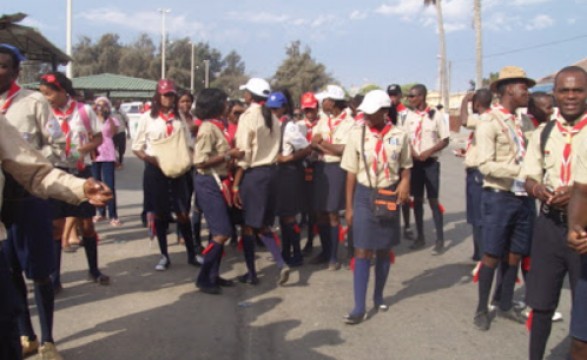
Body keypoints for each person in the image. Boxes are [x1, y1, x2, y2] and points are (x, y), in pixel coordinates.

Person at [0, 110, 112, 360]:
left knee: (12, 311)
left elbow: (34, 171)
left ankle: (45, 339)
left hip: (28, 202)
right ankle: (27, 335)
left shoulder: (30, 106)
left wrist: (78, 186)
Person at [521, 66, 587, 359]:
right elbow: (529, 177)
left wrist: (574, 193)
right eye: (564, 90)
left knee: (583, 311)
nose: (571, 96)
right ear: (555, 95)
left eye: (578, 90)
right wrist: (540, 191)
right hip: (549, 226)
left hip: (583, 231)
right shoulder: (543, 133)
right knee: (542, 303)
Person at [340, 89, 412, 324]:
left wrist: (404, 182)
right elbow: (351, 172)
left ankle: (378, 295)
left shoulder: (397, 136)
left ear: (384, 112)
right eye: (365, 113)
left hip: (388, 195)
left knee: (383, 248)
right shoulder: (357, 134)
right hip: (363, 194)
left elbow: (405, 165)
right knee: (362, 249)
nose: (366, 117)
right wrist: (349, 207)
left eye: (371, 113)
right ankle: (358, 307)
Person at [473, 66, 536, 331]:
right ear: (509, 88)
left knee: (515, 254)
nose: (527, 93)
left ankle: (506, 302)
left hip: (523, 197)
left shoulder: (524, 122)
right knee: (492, 254)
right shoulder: (488, 122)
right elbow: (485, 164)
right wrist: (522, 172)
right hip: (500, 196)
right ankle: (481, 309)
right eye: (524, 87)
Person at [38, 72, 111, 292]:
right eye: (43, 94)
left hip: (80, 172)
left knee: (87, 225)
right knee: (56, 227)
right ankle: (55, 277)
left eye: (49, 93)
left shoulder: (84, 111)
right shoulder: (44, 112)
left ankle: (94, 270)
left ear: (62, 91)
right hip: (56, 173)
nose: (46, 98)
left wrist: (82, 151)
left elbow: (98, 138)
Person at [132, 79, 198, 271]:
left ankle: (192, 254)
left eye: (171, 95)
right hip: (156, 171)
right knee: (160, 214)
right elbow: (137, 147)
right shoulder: (147, 118)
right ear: (158, 96)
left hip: (178, 171)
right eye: (165, 95)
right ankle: (164, 255)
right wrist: (153, 160)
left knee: (183, 213)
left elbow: (188, 143)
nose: (168, 98)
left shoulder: (180, 119)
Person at [232, 78, 288, 285]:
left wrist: (236, 183)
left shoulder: (248, 117)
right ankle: (281, 262)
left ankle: (252, 273)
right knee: (264, 224)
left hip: (254, 175)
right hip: (272, 173)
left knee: (248, 226)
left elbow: (244, 154)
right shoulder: (273, 118)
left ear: (249, 96)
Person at [192, 88, 242, 294]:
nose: (227, 106)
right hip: (208, 182)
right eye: (223, 102)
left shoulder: (217, 126)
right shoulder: (207, 128)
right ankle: (204, 277)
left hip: (220, 180)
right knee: (222, 232)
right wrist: (229, 156)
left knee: (217, 231)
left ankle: (213, 274)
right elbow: (200, 161)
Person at [310, 85, 355, 270]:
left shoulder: (350, 123)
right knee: (320, 212)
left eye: (326, 99)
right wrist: (325, 146)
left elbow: (342, 150)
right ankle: (325, 251)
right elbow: (313, 142)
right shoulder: (323, 120)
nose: (323, 102)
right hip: (321, 167)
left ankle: (334, 257)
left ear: (334, 101)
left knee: (333, 213)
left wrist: (323, 144)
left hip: (337, 168)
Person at [401, 84, 450, 252]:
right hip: (415, 163)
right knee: (418, 200)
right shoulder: (409, 116)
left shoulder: (436, 115)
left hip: (430, 163)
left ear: (421, 96)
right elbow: (404, 137)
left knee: (433, 200)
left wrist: (429, 151)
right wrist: (413, 151)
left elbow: (445, 140)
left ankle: (440, 240)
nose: (410, 99)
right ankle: (420, 236)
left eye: (412, 96)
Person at [268, 91, 312, 267]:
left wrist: (289, 158)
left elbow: (306, 148)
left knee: (289, 216)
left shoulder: (289, 127)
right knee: (283, 215)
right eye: (270, 108)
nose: (272, 111)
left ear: (283, 108)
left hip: (288, 173)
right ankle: (286, 251)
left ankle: (297, 253)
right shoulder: (270, 124)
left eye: (275, 108)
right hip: (276, 173)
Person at [458, 89, 493, 261]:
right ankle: (478, 252)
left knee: (479, 217)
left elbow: (463, 120)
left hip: (479, 173)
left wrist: (464, 100)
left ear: (477, 104)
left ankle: (483, 255)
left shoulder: (484, 119)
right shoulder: (484, 121)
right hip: (474, 171)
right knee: (475, 216)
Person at [91, 96, 122, 227]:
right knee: (96, 185)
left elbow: (114, 133)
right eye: (98, 105)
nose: (101, 107)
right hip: (94, 154)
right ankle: (100, 212)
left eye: (104, 105)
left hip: (108, 154)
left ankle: (113, 215)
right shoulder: (91, 121)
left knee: (109, 185)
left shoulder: (112, 120)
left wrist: (107, 116)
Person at [297, 92, 321, 255]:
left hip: (319, 167)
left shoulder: (323, 124)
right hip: (302, 167)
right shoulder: (297, 126)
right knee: (304, 206)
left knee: (316, 208)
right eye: (306, 110)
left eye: (311, 109)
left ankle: (312, 240)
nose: (309, 113)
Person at [387, 84, 413, 240]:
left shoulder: (407, 114)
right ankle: (391, 223)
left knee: (405, 193)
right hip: (389, 153)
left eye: (395, 95)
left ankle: (408, 226)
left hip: (402, 152)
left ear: (400, 96)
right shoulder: (385, 110)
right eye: (390, 95)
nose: (392, 98)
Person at [111, 100, 128, 169]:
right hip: (113, 132)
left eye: (118, 104)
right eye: (116, 104)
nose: (117, 105)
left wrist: (128, 131)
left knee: (121, 148)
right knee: (113, 148)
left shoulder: (122, 112)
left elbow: (126, 121)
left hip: (121, 131)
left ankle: (120, 161)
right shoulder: (111, 112)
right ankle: (115, 162)